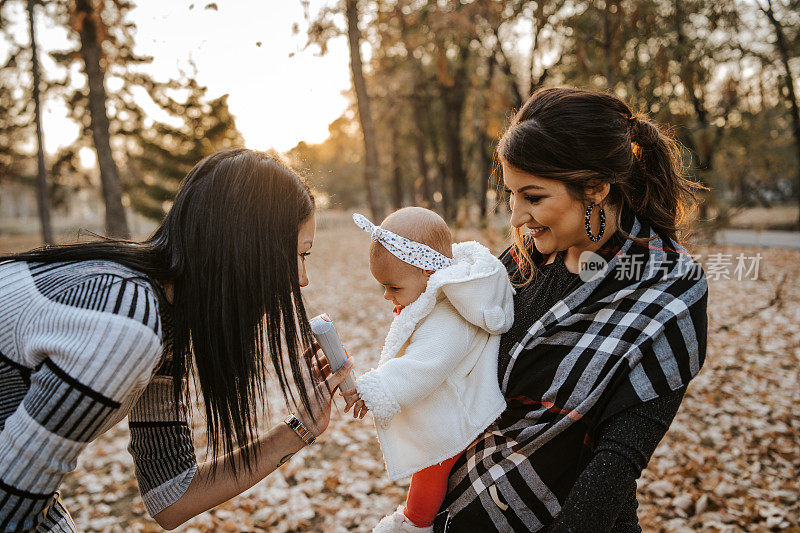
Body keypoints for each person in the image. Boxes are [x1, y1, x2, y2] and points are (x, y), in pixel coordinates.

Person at [0, 148, 353, 532]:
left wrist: (301, 426)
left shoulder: (163, 325)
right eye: (297, 255)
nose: (302, 279)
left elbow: (170, 497)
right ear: (242, 250)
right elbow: (9, 507)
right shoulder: (124, 324)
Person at [434, 88, 709, 532]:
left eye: (534, 197)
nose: (518, 216)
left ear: (596, 187)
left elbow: (617, 462)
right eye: (512, 194)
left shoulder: (670, 287)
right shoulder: (521, 262)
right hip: (465, 504)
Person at [345, 207, 514, 533]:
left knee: (432, 465)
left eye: (393, 287)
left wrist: (377, 389)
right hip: (450, 395)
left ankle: (414, 523)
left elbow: (424, 366)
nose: (386, 295)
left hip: (459, 408)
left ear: (426, 273)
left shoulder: (451, 314)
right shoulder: (439, 293)